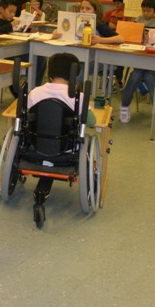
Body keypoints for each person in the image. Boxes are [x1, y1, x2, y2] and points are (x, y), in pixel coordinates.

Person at [27, 53, 96, 201]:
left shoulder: (35, 92)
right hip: (67, 149)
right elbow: (91, 122)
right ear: (75, 74)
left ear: (49, 71)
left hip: (36, 146)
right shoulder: (78, 96)